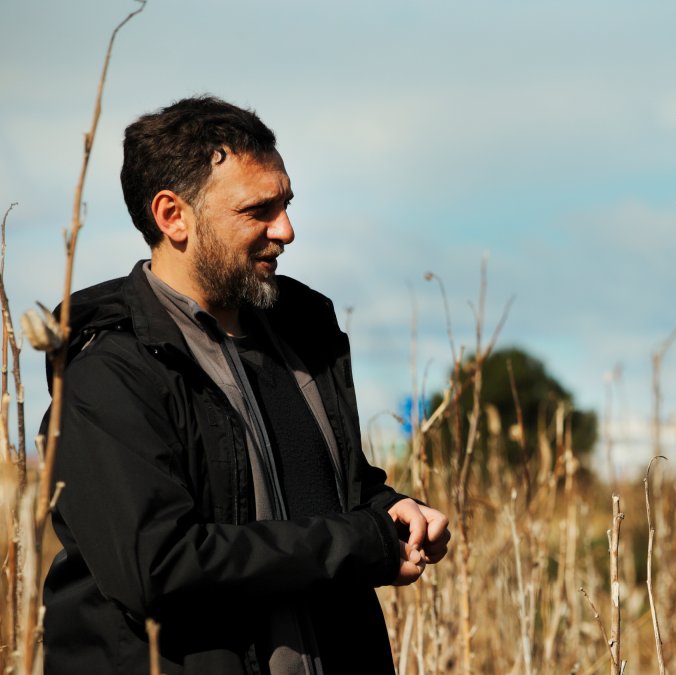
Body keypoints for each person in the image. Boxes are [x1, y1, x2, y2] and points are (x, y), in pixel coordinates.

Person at [41, 96, 450, 674]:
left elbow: (328, 494)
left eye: (285, 202)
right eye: (258, 210)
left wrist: (392, 511)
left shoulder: (305, 334)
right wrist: (363, 543)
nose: (286, 229)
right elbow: (157, 567)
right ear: (172, 216)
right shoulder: (109, 368)